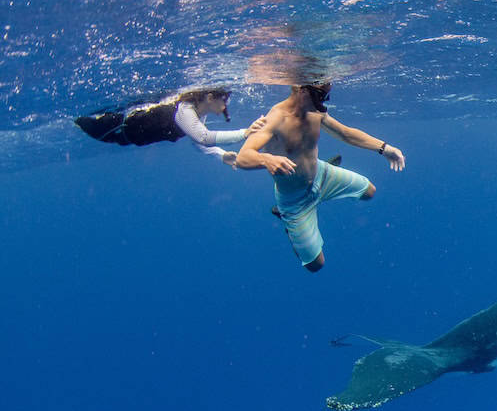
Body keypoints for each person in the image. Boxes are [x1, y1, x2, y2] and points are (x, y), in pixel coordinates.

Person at [235, 82, 405, 272]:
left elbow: (346, 134)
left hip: (321, 175)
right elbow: (242, 157)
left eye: (326, 96)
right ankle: (285, 220)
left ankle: (323, 173)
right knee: (315, 264)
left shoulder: (315, 111)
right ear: (302, 91)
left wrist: (384, 148)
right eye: (320, 96)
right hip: (295, 200)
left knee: (369, 192)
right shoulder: (276, 118)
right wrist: (266, 159)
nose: (323, 103)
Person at [75, 87, 255, 168]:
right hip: (113, 128)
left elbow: (198, 141)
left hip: (124, 137)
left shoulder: (198, 114)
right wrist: (244, 134)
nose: (225, 108)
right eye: (224, 101)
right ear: (209, 97)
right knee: (78, 120)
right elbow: (203, 137)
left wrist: (220, 154)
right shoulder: (185, 110)